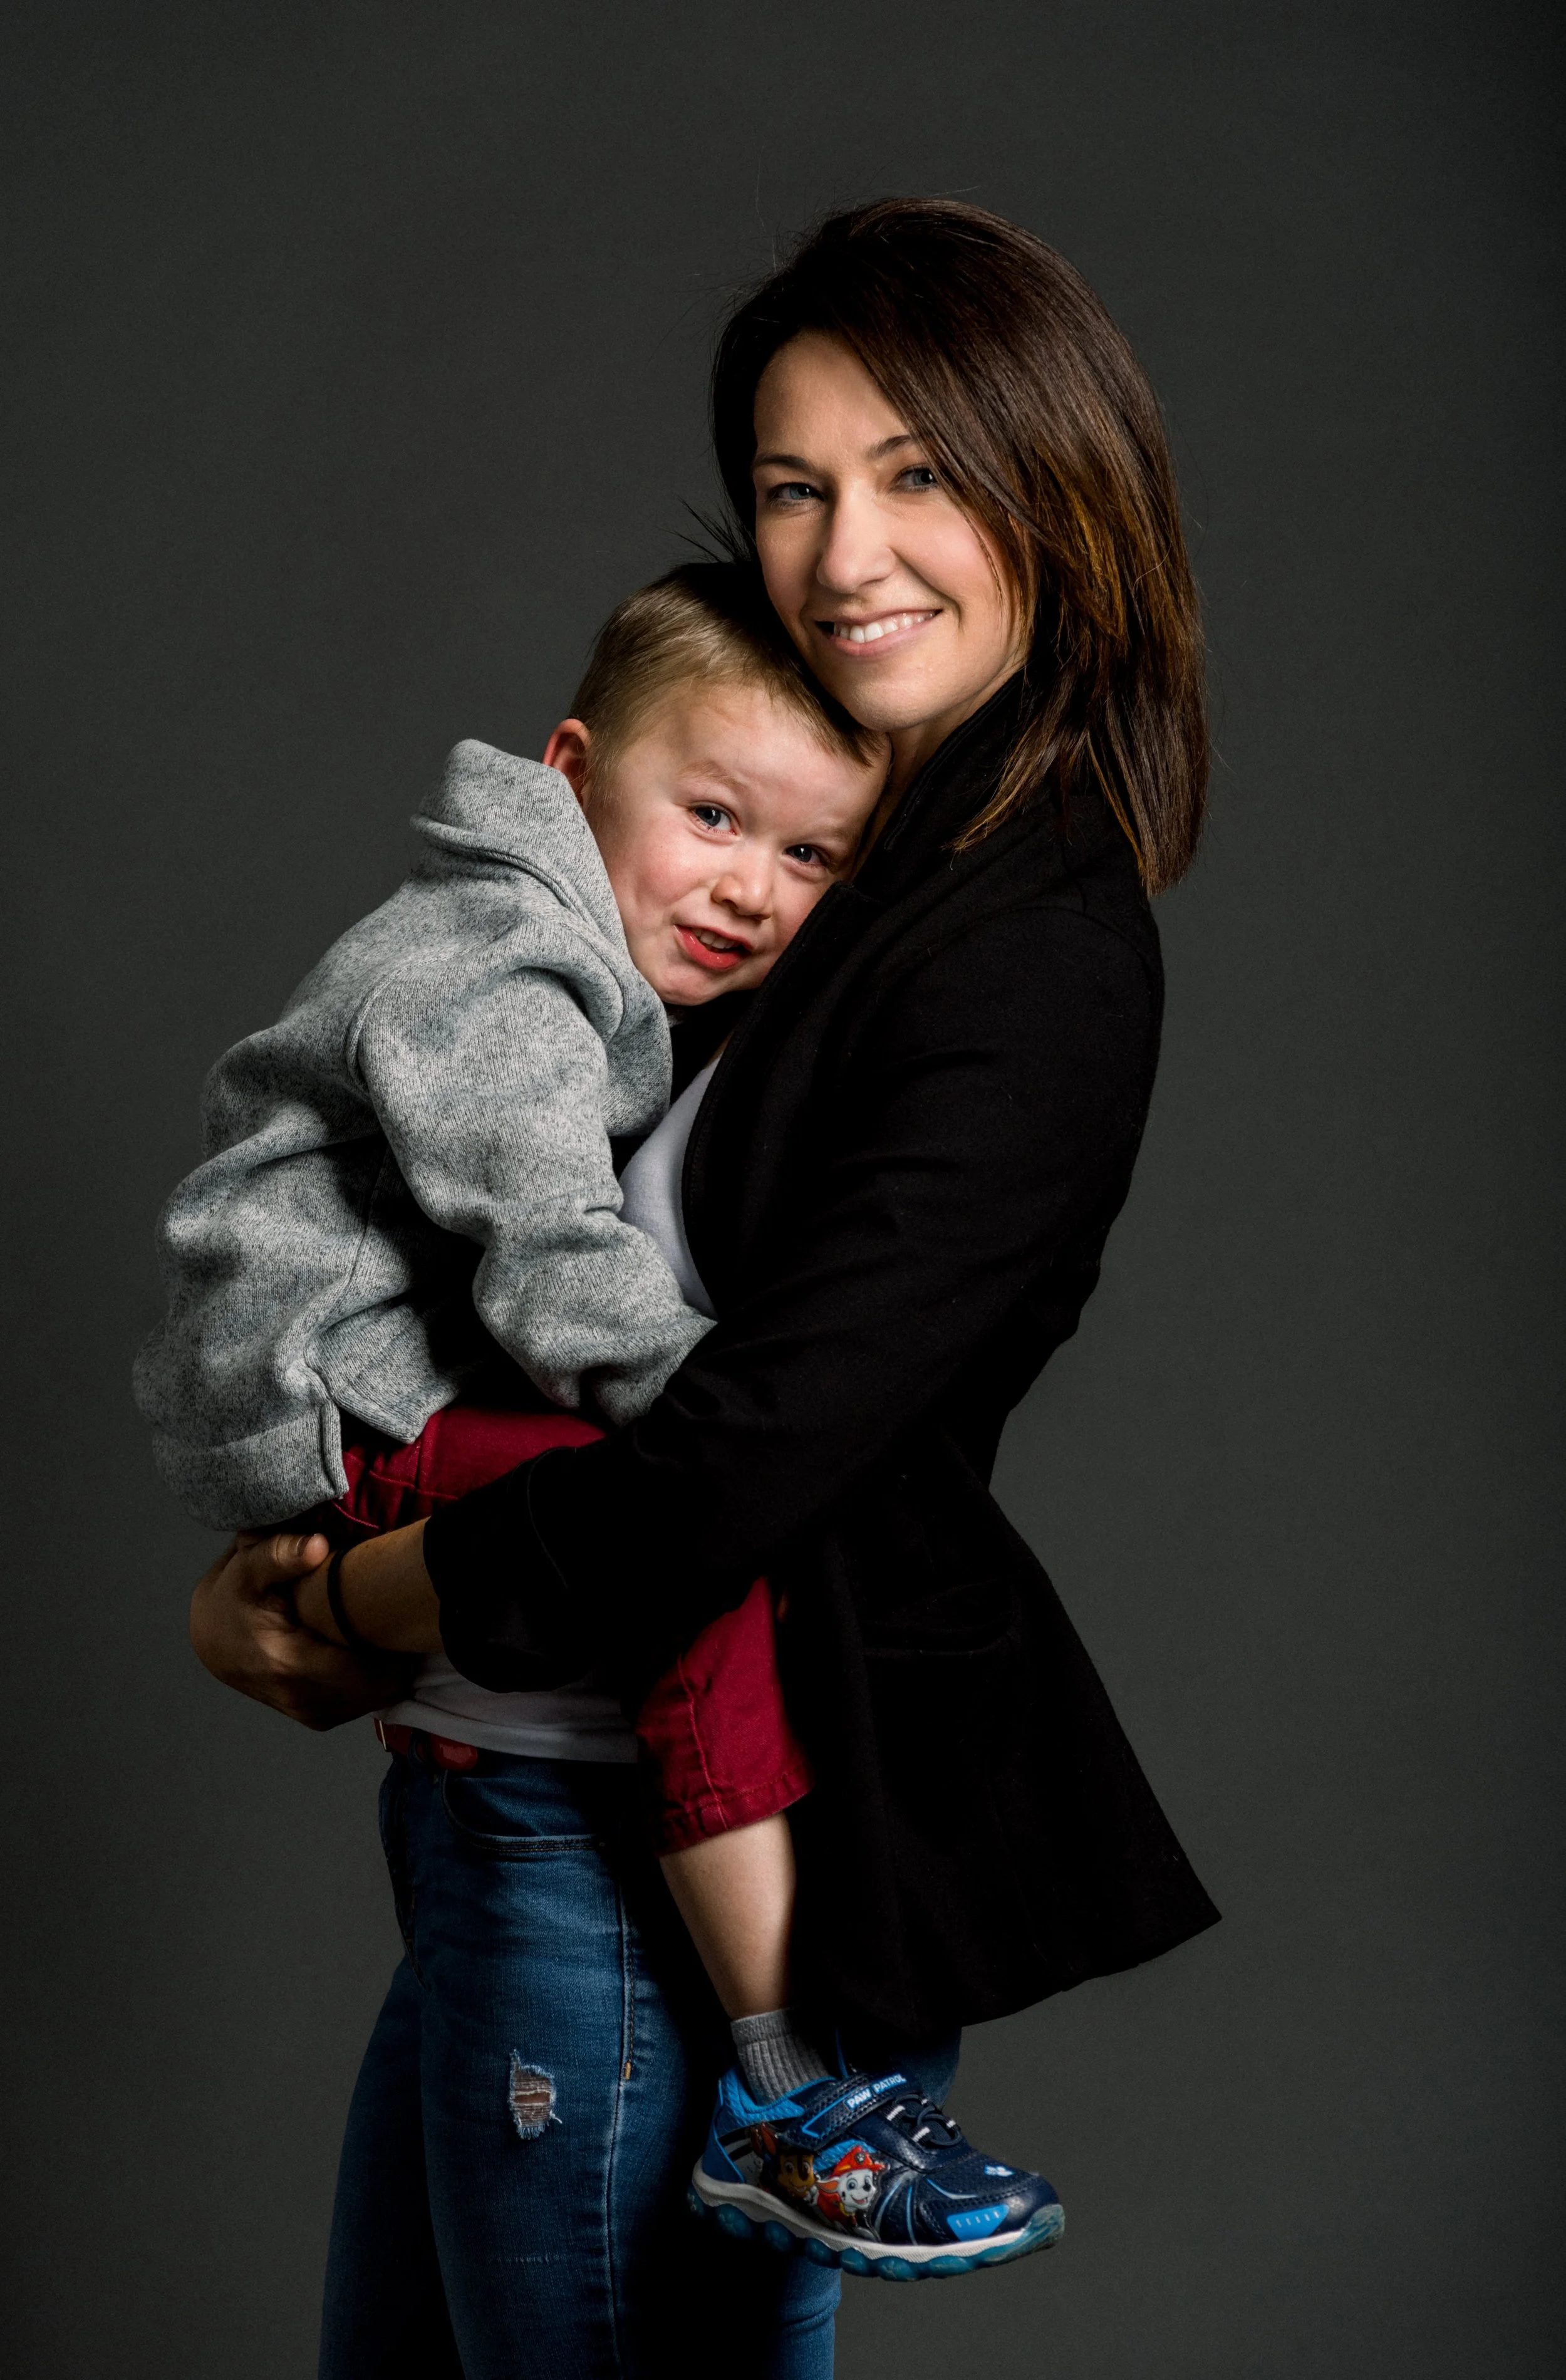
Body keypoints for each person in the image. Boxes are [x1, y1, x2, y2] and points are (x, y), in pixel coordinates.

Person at [190, 198, 1221, 2376]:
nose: (846, 551)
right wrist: (301, 1532)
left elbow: (744, 1452)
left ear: (1060, 483)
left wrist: (351, 1603)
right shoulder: (827, 870)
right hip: (519, 1815)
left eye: (919, 470)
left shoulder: (1025, 951)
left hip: (627, 1872)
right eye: (792, 484)